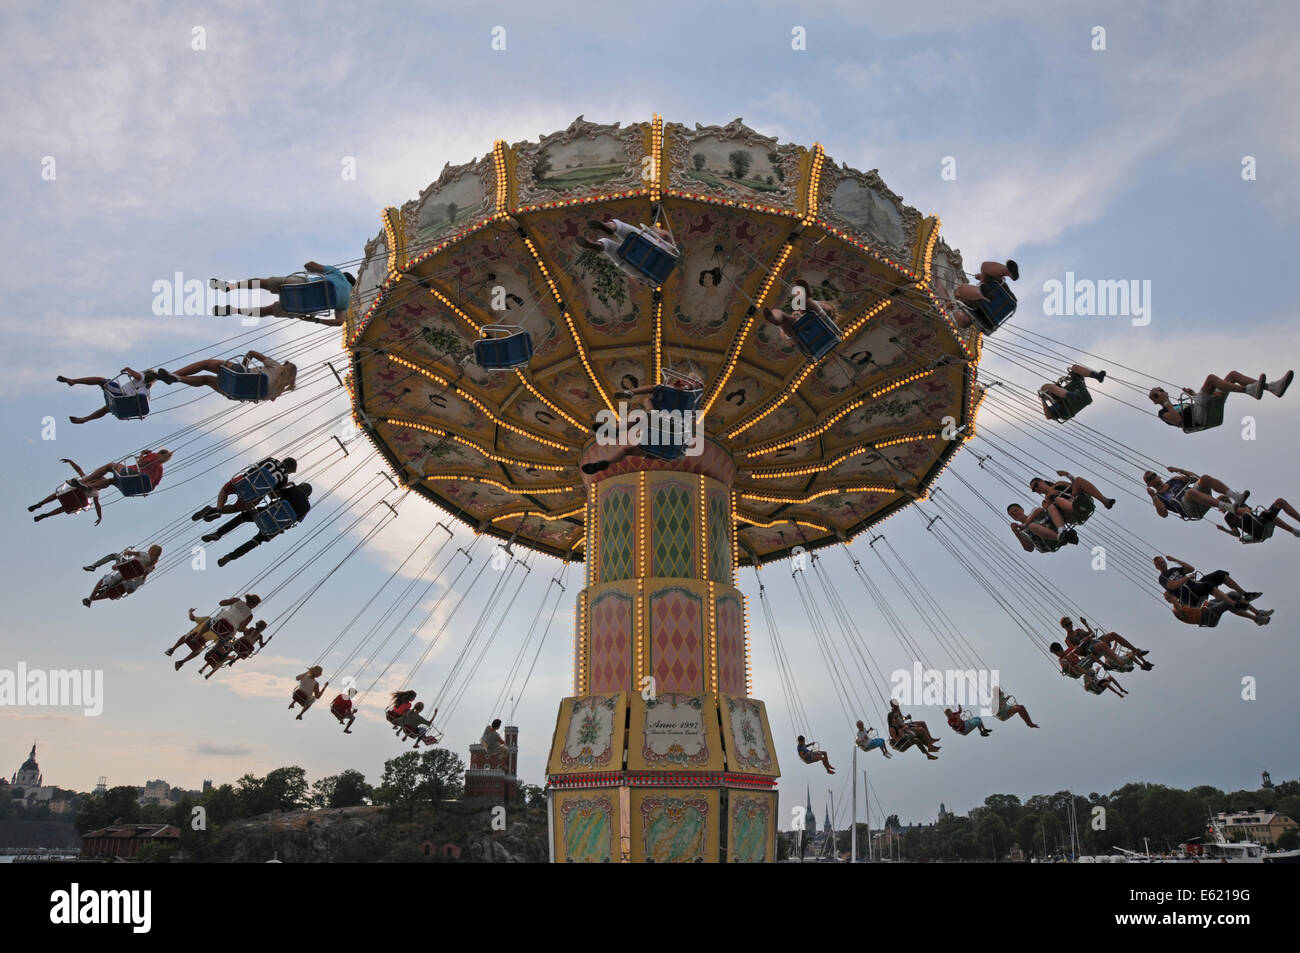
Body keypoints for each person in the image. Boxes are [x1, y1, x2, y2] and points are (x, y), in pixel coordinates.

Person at [203, 483, 313, 567]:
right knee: (256, 541)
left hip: (266, 513)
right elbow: (295, 522)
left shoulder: (294, 490)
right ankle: (230, 557)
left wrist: (285, 486)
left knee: (242, 517)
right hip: (275, 527)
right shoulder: (307, 507)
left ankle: (219, 533)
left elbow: (273, 495)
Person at [211, 262, 355, 325]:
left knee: (264, 283)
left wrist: (314, 269)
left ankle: (230, 286)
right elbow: (339, 322)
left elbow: (309, 265)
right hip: (302, 307)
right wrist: (317, 321)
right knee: (267, 311)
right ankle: (233, 310)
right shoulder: (345, 303)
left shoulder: (337, 274)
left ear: (344, 275)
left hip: (299, 285)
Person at [1150, 370, 1291, 431]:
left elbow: (1199, 403)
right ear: (1155, 401)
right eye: (1156, 395)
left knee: (1232, 375)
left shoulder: (1175, 404)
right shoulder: (1163, 412)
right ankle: (1250, 390)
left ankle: (1273, 387)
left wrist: (1193, 394)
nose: (1160, 393)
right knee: (1211, 379)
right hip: (1198, 419)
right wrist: (1166, 402)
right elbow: (1179, 421)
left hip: (1203, 409)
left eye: (1160, 390)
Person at [152, 350, 297, 402]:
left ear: (285, 367)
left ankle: (173, 375)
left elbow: (252, 353)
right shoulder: (278, 391)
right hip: (235, 393)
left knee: (206, 364)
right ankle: (178, 379)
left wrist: (245, 366)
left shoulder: (276, 366)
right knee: (205, 380)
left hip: (238, 375)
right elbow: (268, 398)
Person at [192, 457, 298, 521]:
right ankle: (216, 511)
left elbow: (256, 467)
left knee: (225, 490)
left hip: (244, 481)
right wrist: (285, 486)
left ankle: (218, 509)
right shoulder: (284, 479)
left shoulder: (271, 460)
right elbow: (271, 494)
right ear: (290, 469)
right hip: (255, 495)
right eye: (290, 472)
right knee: (237, 508)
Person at [578, 219, 676, 282]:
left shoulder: (666, 248)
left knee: (628, 230)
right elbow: (641, 281)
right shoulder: (659, 272)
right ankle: (599, 245)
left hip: (650, 250)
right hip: (637, 269)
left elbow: (666, 236)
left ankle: (611, 227)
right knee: (610, 247)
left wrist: (656, 231)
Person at [57, 367, 157, 424]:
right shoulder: (147, 392)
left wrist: (127, 369)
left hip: (120, 394)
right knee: (107, 409)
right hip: (124, 404)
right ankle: (84, 419)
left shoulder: (142, 377)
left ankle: (73, 381)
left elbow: (135, 374)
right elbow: (143, 410)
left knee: (100, 380)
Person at [1144, 468, 1248, 521]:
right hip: (1190, 509)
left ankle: (1235, 496)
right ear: (1149, 484)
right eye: (1150, 478)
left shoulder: (1174, 480)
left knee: (1204, 478)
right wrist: (1153, 496)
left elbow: (1196, 478)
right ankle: (1228, 507)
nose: (1153, 478)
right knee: (1190, 492)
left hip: (1200, 498)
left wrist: (1179, 470)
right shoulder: (1158, 497)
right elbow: (1163, 514)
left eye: (1154, 475)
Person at [1153, 556, 1259, 607]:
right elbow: (1172, 586)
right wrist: (1186, 578)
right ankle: (1234, 604)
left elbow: (1190, 569)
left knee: (1219, 574)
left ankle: (1245, 594)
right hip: (1188, 594)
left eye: (1163, 562)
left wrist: (1175, 560)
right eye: (1159, 564)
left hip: (1194, 585)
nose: (1162, 565)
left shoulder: (1173, 570)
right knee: (1207, 585)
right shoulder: (1162, 578)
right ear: (1157, 567)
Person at [1059, 617, 1152, 671]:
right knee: (1103, 645)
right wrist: (1082, 642)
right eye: (1067, 625)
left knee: (1112, 634)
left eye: (1070, 623)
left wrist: (1086, 624)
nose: (1070, 625)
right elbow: (1077, 651)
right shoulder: (1068, 639)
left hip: (1093, 641)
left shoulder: (1078, 631)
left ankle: (1135, 651)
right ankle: (1121, 664)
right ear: (1064, 627)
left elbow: (1092, 634)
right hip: (1088, 649)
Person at [61, 449, 172, 495]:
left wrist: (143, 455)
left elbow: (140, 464)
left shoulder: (155, 456)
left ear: (160, 453)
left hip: (131, 476)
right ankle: (89, 487)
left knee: (110, 466)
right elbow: (152, 487)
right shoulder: (160, 471)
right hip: (132, 488)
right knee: (112, 480)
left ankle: (84, 481)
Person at [82, 544, 162, 606]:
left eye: (150, 548)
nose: (148, 549)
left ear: (152, 550)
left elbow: (128, 553)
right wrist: (135, 586)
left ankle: (94, 566)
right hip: (129, 578)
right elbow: (143, 578)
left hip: (124, 569)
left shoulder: (144, 554)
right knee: (116, 591)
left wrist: (127, 552)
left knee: (114, 555)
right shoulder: (152, 566)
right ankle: (90, 599)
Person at [30, 460, 104, 525]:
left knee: (59, 497)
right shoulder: (94, 491)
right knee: (63, 505)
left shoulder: (94, 490)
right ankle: (45, 513)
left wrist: (70, 462)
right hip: (75, 497)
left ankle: (41, 505)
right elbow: (97, 506)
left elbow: (79, 470)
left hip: (74, 497)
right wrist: (71, 462)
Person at [952, 259, 1019, 330]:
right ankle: (1006, 271)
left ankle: (981, 293)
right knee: (984, 267)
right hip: (1003, 298)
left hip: (988, 306)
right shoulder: (967, 309)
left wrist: (953, 309)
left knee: (961, 290)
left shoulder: (965, 306)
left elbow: (963, 323)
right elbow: (963, 323)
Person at [763, 278, 837, 341]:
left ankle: (805, 294)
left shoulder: (827, 325)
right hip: (798, 327)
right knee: (780, 314)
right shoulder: (802, 314)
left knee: (809, 303)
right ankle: (776, 318)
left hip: (809, 329)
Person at [1029, 471, 1115, 519]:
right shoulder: (1045, 501)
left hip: (1076, 498)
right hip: (1068, 511)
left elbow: (1075, 485)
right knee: (1058, 500)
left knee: (1078, 480)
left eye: (1036, 485)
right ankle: (1075, 507)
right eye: (1034, 489)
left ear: (1042, 481)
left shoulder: (1059, 483)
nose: (1036, 489)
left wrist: (1067, 475)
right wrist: (1048, 497)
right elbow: (1049, 511)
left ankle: (1104, 500)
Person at [1169, 591, 1273, 627]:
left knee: (1232, 595)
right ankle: (1256, 618)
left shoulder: (1184, 600)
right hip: (1206, 616)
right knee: (1228, 603)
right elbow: (1181, 613)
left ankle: (1258, 612)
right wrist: (1172, 598)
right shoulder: (1176, 609)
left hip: (1210, 606)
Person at [1039, 365, 1105, 421]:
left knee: (1074, 367)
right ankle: (1070, 395)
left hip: (1076, 392)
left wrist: (1066, 379)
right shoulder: (1055, 406)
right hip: (1066, 405)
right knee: (1046, 387)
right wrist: (1043, 401)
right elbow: (1048, 416)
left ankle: (1097, 376)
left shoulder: (1059, 390)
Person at [1007, 501, 1078, 552]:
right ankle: (1061, 537)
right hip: (1044, 542)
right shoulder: (1022, 532)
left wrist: (1026, 524)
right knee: (1032, 526)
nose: (1015, 514)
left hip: (1052, 525)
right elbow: (1029, 549)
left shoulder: (1032, 512)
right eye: (1012, 514)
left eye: (1016, 510)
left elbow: (1039, 510)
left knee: (1050, 507)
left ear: (1022, 509)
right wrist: (1016, 533)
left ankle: (1062, 532)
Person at [1220, 497, 1300, 542]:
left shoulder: (1240, 505)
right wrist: (1224, 529)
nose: (1219, 509)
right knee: (1266, 514)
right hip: (1256, 531)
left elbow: (1248, 511)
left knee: (1280, 501)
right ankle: (1295, 531)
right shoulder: (1227, 518)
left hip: (1259, 521)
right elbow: (1237, 534)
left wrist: (1233, 509)